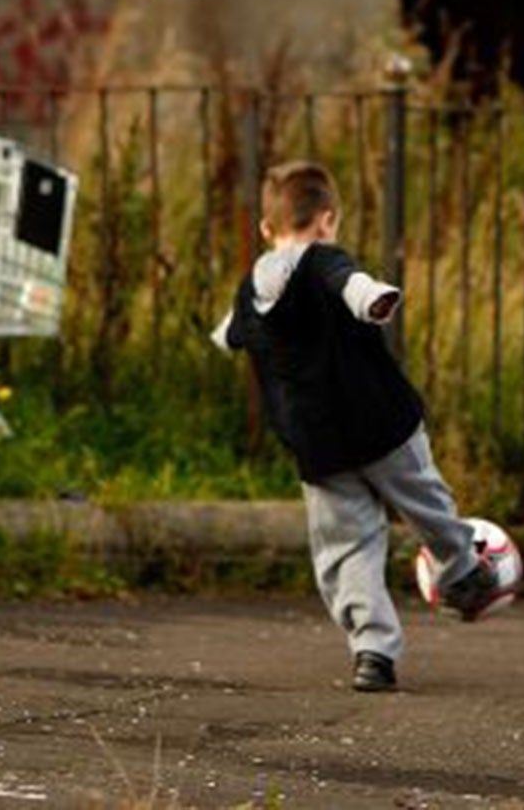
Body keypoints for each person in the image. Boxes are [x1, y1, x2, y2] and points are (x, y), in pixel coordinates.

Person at [211, 159, 502, 692]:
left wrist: (232, 333)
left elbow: (232, 333)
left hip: (317, 444)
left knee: (348, 547)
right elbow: (353, 285)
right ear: (327, 220)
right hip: (381, 423)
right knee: (425, 501)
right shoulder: (326, 261)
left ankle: (373, 653)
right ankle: (462, 571)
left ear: (265, 229)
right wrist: (376, 299)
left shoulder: (250, 284)